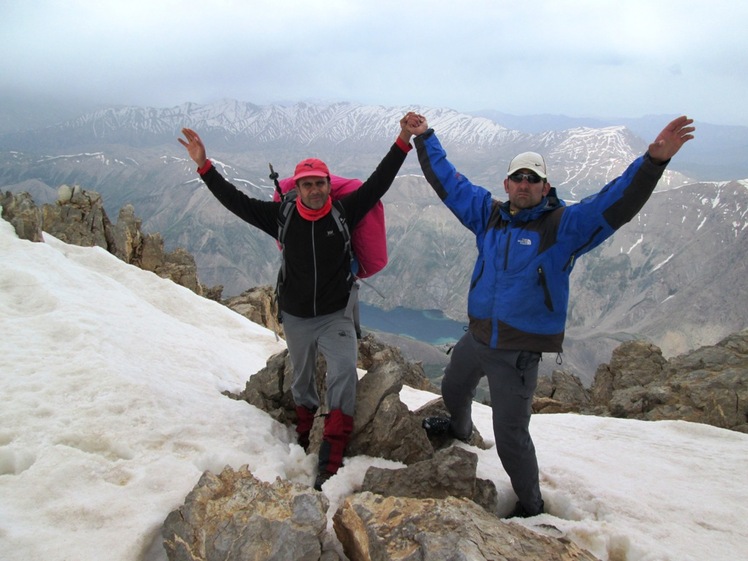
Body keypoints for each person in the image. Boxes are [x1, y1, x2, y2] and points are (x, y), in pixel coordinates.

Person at [408, 115, 695, 517]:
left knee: (510, 435)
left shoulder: (563, 228)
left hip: (518, 352)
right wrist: (425, 138)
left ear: (545, 187)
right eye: (517, 178)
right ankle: (458, 431)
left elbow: (613, 203)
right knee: (455, 390)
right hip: (477, 337)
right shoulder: (489, 216)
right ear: (507, 185)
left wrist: (652, 162)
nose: (524, 185)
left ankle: (532, 504)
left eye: (532, 179)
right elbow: (450, 184)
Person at [178, 113, 421, 490]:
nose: (314, 190)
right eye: (306, 184)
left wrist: (404, 138)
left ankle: (332, 454)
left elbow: (379, 181)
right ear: (298, 187)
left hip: (336, 314)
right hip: (295, 317)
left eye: (320, 183)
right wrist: (204, 165)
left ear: (328, 185)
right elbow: (235, 202)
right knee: (303, 381)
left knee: (343, 375)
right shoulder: (281, 216)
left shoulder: (345, 211)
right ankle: (306, 431)